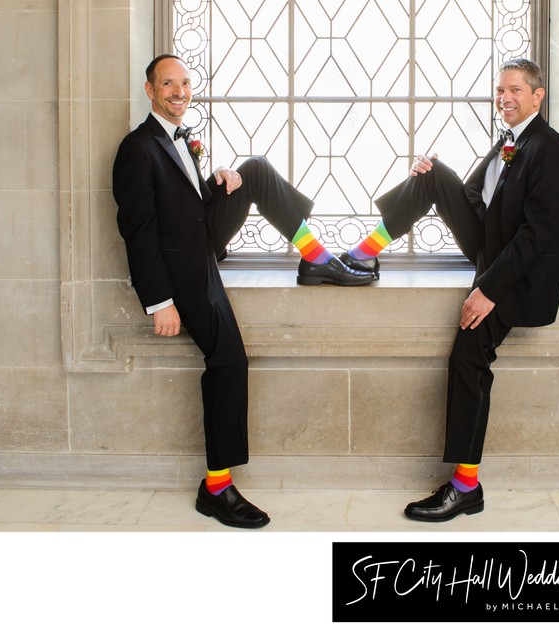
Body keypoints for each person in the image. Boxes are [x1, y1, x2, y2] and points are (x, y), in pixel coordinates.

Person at [113, 54, 374, 529]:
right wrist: (160, 302)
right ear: (149, 90)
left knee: (250, 169)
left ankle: (317, 259)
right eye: (168, 84)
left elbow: (185, 199)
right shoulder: (137, 148)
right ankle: (216, 488)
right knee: (229, 362)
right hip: (184, 273)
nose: (179, 91)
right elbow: (139, 231)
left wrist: (217, 180)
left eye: (185, 83)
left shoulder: (177, 139)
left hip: (202, 246)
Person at [342, 58, 559, 521]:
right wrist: (434, 178)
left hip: (513, 274)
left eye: (514, 90)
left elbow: (539, 232)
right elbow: (473, 198)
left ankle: (466, 486)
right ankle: (363, 253)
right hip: (491, 247)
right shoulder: (508, 142)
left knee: (467, 360)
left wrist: (488, 289)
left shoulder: (549, 149)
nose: (504, 98)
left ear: (537, 95)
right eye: (500, 90)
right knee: (432, 172)